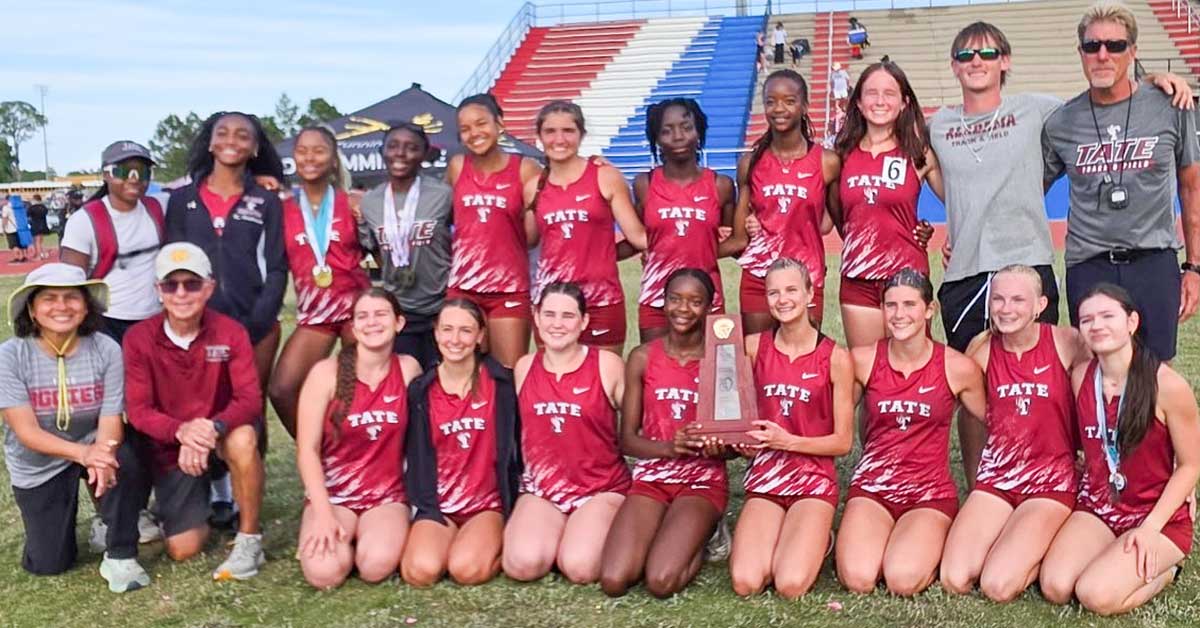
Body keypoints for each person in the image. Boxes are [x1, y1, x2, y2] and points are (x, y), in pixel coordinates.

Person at [929, 19, 1190, 490]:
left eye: (987, 54)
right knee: (975, 379)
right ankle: (980, 483)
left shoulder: (1041, 110)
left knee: (1052, 380)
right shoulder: (939, 125)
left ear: (1005, 62)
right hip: (968, 271)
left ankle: (1066, 475)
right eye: (966, 55)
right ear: (953, 64)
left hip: (1031, 262)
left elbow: (1107, 90)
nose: (976, 63)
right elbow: (916, 166)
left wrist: (1155, 77)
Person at [1042, 3, 1200, 362]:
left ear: (1133, 51)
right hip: (1090, 262)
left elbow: (1191, 188)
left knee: (1157, 372)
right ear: (1080, 53)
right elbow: (1028, 191)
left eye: (1114, 46)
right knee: (1095, 371)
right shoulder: (1062, 122)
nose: (1102, 55)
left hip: (1154, 260)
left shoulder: (1171, 105)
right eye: (1092, 46)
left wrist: (1193, 267)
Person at [1040, 284, 1199, 615]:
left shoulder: (1166, 385)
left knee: (1095, 595)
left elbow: (1190, 466)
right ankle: (1113, 555)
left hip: (1154, 515)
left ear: (1132, 322)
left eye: (1107, 316)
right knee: (1055, 586)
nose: (1097, 325)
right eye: (1087, 320)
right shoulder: (1082, 375)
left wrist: (1151, 528)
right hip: (1100, 505)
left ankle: (1168, 570)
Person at [940, 265, 1088, 601]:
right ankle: (1018, 538)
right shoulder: (983, 349)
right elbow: (949, 396)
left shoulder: (1067, 342)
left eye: (1018, 300)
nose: (1006, 309)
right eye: (999, 300)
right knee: (954, 577)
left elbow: (1115, 386)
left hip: (1050, 482)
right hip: (998, 478)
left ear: (1040, 304)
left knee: (997, 585)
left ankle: (1046, 545)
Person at [165, 111, 286, 523]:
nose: (232, 140)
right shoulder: (182, 200)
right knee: (205, 405)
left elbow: (277, 268)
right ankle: (217, 492)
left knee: (249, 410)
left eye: (243, 135)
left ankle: (245, 495)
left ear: (254, 148)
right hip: (198, 326)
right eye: (223, 133)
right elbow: (172, 263)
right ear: (211, 143)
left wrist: (255, 322)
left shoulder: (266, 200)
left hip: (256, 327)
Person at [835, 268, 986, 596]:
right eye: (891, 306)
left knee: (901, 580)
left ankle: (930, 541)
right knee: (858, 579)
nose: (899, 315)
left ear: (929, 309)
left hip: (928, 494)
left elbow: (999, 425)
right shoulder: (861, 361)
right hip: (873, 488)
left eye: (909, 305)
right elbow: (829, 421)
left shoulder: (957, 368)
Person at [122, 243, 267, 581]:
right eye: (171, 285)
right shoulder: (138, 339)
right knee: (183, 549)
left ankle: (249, 539)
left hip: (219, 434)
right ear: (159, 290)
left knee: (243, 438)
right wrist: (182, 432)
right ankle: (198, 499)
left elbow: (249, 399)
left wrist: (211, 428)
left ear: (210, 287)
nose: (182, 293)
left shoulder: (231, 332)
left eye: (192, 283)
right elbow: (139, 411)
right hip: (175, 447)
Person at [0, 263, 149, 592]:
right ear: (32, 309)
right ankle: (65, 527)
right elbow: (26, 432)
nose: (62, 306)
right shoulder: (10, 356)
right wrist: (85, 453)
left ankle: (120, 551)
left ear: (86, 306)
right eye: (49, 298)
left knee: (126, 456)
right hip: (39, 461)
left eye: (72, 297)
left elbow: (112, 417)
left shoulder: (106, 348)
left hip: (95, 444)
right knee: (50, 564)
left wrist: (103, 454)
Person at [728, 258, 854, 599]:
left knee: (790, 584)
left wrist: (787, 440)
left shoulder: (835, 357)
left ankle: (818, 537)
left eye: (791, 290)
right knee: (746, 582)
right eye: (773, 292)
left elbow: (843, 442)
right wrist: (740, 440)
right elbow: (734, 416)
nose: (782, 300)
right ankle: (789, 536)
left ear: (810, 293)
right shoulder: (753, 346)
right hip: (766, 479)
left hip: (812, 481)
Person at [599, 269, 727, 599]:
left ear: (710, 308)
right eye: (675, 299)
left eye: (695, 301)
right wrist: (672, 447)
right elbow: (627, 440)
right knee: (614, 580)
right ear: (663, 302)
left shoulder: (722, 360)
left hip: (702, 480)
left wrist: (718, 446)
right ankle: (668, 530)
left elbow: (735, 443)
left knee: (660, 581)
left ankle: (707, 533)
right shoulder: (642, 357)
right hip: (653, 477)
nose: (683, 309)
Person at [502, 282, 631, 584]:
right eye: (549, 314)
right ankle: (555, 531)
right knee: (523, 564)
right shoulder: (524, 367)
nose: (557, 324)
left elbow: (643, 422)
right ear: (536, 316)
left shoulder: (607, 365)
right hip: (542, 488)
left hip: (599, 487)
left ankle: (579, 532)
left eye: (568, 316)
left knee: (580, 567)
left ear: (584, 321)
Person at [294, 287, 422, 589]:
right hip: (335, 494)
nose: (372, 323)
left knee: (375, 566)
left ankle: (369, 539)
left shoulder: (407, 369)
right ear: (352, 326)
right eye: (362, 316)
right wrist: (323, 514)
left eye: (381, 315)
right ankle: (340, 540)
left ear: (399, 323)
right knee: (324, 574)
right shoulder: (325, 374)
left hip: (387, 496)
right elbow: (307, 451)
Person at [401, 299, 520, 587]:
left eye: (465, 331)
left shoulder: (503, 385)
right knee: (420, 572)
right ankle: (453, 540)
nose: (455, 340)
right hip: (438, 505)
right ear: (436, 334)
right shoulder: (420, 391)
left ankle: (493, 542)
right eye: (447, 330)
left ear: (480, 335)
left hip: (485, 504)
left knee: (466, 570)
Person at [267, 127, 370, 438]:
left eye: (319, 151)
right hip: (315, 315)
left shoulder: (352, 202)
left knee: (361, 391)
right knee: (283, 389)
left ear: (334, 160)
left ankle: (372, 465)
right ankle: (320, 455)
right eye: (302, 151)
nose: (310, 157)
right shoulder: (282, 208)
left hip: (357, 312)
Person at [831, 61, 941, 349]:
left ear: (904, 102)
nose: (880, 101)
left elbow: (962, 201)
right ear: (858, 101)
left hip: (907, 276)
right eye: (871, 93)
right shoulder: (840, 155)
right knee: (867, 371)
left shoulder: (920, 152)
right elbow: (825, 217)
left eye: (890, 93)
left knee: (912, 369)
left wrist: (941, 234)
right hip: (858, 278)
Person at [523, 100, 646, 354]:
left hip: (602, 300)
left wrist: (704, 231)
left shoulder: (604, 175)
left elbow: (638, 237)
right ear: (539, 136)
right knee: (556, 384)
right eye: (550, 131)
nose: (559, 139)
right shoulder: (535, 186)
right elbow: (527, 241)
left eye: (568, 131)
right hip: (552, 303)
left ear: (581, 134)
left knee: (605, 383)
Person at [723, 69, 836, 334]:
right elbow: (739, 236)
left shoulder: (827, 162)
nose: (779, 108)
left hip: (806, 276)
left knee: (804, 361)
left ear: (804, 105)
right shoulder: (750, 164)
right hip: (758, 277)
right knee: (757, 361)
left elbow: (834, 220)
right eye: (771, 101)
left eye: (789, 100)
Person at [444, 94, 543, 368]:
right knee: (461, 372)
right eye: (465, 129)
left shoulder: (525, 168)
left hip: (509, 289)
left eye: (481, 124)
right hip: (463, 288)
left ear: (499, 123)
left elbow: (531, 238)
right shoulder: (456, 167)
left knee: (508, 375)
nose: (474, 133)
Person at [634, 98, 735, 341]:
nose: (678, 136)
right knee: (658, 374)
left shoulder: (720, 186)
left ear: (699, 131)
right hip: (656, 297)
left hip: (707, 297)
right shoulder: (644, 184)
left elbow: (731, 238)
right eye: (666, 131)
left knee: (714, 375)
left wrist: (702, 250)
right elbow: (640, 238)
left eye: (686, 127)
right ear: (656, 138)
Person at [357, 123, 454, 370]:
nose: (400, 153)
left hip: (440, 307)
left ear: (423, 154)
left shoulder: (442, 194)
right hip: (399, 310)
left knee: (441, 383)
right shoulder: (370, 201)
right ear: (382, 151)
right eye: (393, 146)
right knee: (405, 382)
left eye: (411, 148)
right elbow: (373, 251)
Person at [61, 141, 165, 345]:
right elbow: (69, 280)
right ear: (106, 174)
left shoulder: (158, 206)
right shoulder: (85, 220)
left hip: (155, 319)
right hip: (107, 321)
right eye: (123, 171)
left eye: (142, 172)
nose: (133, 179)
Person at [2, 195, 25, 263]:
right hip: (20, 228)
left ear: (7, 200)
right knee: (19, 243)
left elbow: (5, 219)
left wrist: (3, 228)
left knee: (13, 245)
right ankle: (22, 256)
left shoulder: (6, 208)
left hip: (10, 228)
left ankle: (17, 257)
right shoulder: (19, 207)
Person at [27, 194, 49, 260]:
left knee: (37, 241)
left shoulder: (32, 208)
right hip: (43, 225)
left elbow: (28, 215)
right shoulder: (44, 207)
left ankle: (39, 256)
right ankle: (44, 254)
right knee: (41, 241)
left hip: (35, 225)